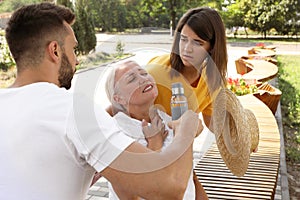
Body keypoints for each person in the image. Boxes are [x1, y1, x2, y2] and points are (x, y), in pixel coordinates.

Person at [0, 3, 204, 200]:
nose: (76, 60)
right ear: (55, 51)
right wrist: (186, 128)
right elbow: (169, 187)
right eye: (73, 49)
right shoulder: (73, 111)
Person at [104, 60, 208, 200]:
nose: (143, 79)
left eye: (144, 73)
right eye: (132, 79)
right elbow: (137, 194)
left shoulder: (168, 120)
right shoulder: (116, 134)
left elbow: (190, 176)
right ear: (118, 99)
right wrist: (155, 145)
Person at [146, 7, 228, 129]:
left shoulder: (212, 81)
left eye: (197, 43)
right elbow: (122, 109)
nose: (187, 49)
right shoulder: (155, 71)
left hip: (180, 145)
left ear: (212, 47)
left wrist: (239, 140)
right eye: (183, 39)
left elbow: (213, 123)